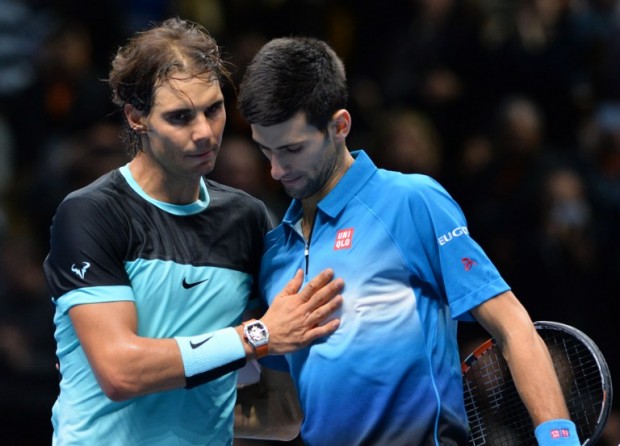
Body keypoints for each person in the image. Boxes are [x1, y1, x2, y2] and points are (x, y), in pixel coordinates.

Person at [237, 36, 581, 445]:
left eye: (292, 149)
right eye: (265, 150)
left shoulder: (410, 202)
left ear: (339, 126)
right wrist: (177, 414)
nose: (275, 170)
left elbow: (512, 326)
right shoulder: (276, 254)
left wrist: (559, 438)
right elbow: (286, 413)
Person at [42, 19, 344, 445]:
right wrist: (255, 337)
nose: (204, 132)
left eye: (213, 109)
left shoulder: (250, 220)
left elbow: (283, 415)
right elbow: (120, 372)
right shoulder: (91, 213)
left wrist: (198, 410)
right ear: (136, 118)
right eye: (180, 117)